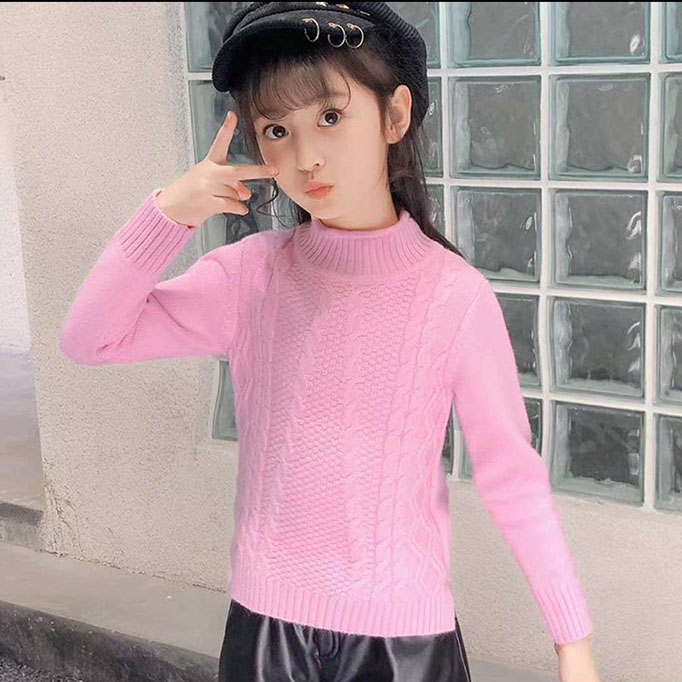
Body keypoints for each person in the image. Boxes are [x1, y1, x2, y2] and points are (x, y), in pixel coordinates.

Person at [59, 2, 602, 681]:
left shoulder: (454, 298)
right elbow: (89, 340)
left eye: (331, 116)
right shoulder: (252, 276)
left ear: (395, 115)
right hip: (266, 626)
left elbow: (511, 477)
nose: (305, 156)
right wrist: (168, 214)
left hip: (402, 641)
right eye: (276, 129)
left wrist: (573, 644)